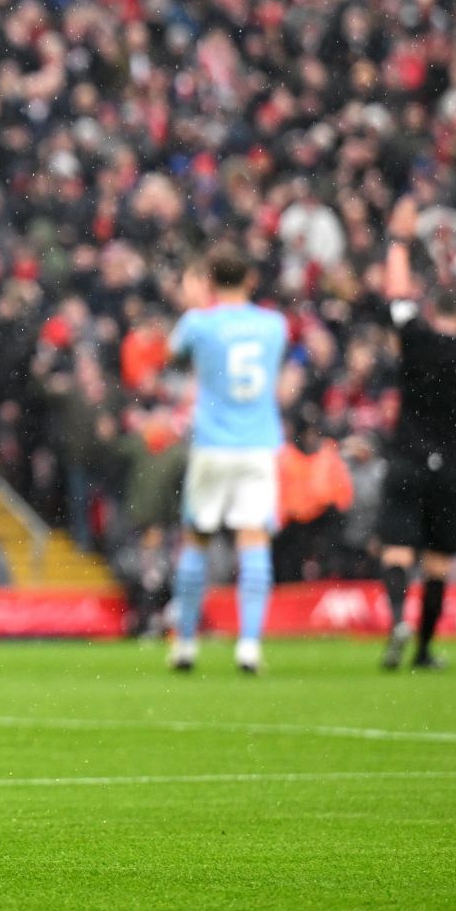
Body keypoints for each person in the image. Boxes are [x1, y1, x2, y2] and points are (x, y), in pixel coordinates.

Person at [376, 198, 456, 671]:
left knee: (398, 549)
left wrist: (399, 244)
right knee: (439, 560)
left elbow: (397, 300)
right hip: (451, 464)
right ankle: (424, 648)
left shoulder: (416, 341)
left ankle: (397, 621)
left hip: (407, 457)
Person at [165, 248, 290, 675]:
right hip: (258, 445)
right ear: (251, 279)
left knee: (196, 538)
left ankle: (184, 644)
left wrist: (199, 304)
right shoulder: (274, 325)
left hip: (213, 444)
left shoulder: (200, 324)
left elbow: (173, 351)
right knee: (253, 541)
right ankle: (249, 646)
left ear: (211, 282)